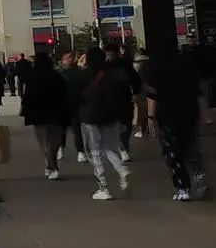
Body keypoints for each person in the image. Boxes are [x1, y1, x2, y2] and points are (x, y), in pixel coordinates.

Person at [143, 44, 210, 201]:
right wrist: (204, 115)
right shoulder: (186, 64)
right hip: (189, 112)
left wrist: (150, 118)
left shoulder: (155, 68)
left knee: (172, 151)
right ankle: (199, 175)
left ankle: (183, 187)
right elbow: (197, 91)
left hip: (168, 114)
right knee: (189, 145)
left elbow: (152, 96)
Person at [78, 47, 133, 200]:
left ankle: (103, 186)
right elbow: (125, 93)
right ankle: (122, 170)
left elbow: (75, 95)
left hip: (90, 116)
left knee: (95, 151)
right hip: (112, 115)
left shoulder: (84, 75)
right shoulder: (115, 73)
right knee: (111, 147)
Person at [20, 50, 71, 179]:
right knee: (53, 142)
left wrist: (25, 109)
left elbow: (27, 97)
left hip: (38, 114)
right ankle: (51, 166)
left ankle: (51, 167)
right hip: (57, 113)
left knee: (43, 142)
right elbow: (66, 95)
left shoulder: (31, 78)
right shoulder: (57, 76)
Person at [59, 50, 90, 164]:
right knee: (68, 128)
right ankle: (65, 148)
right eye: (67, 58)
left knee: (74, 128)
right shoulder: (65, 73)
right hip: (69, 104)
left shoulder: (73, 72)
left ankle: (79, 151)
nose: (69, 60)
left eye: (70, 57)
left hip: (72, 104)